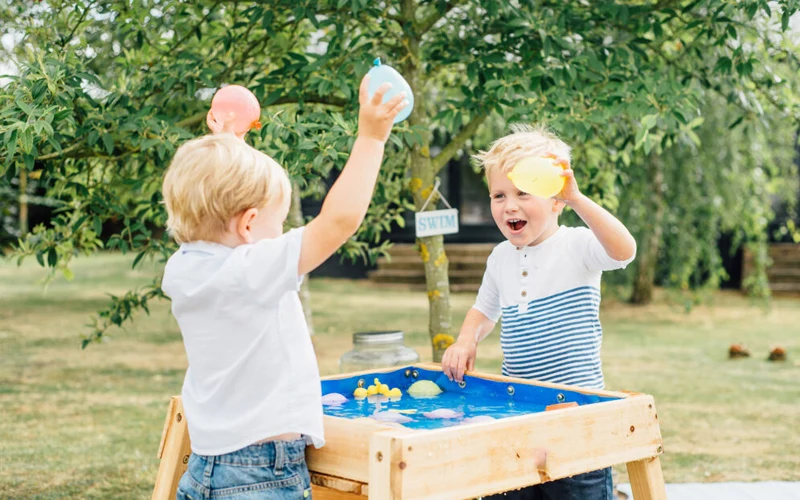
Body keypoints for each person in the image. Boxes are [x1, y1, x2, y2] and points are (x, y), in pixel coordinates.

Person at [161, 76, 407, 499]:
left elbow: (212, 194)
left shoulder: (183, 269)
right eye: (279, 223)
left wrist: (228, 145)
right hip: (260, 476)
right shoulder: (250, 271)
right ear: (249, 224)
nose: (285, 232)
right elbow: (338, 221)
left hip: (206, 467)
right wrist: (371, 139)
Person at [441, 124, 636, 500]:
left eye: (523, 193)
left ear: (556, 201)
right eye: (499, 195)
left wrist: (578, 198)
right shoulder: (499, 258)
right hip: (517, 412)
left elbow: (624, 250)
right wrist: (466, 340)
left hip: (578, 415)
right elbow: (483, 310)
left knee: (579, 491)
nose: (509, 205)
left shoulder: (577, 246)